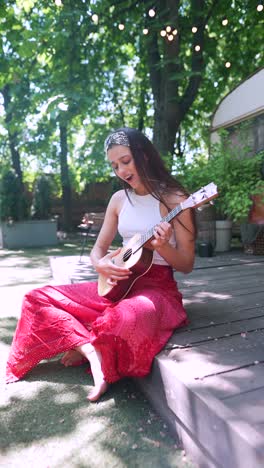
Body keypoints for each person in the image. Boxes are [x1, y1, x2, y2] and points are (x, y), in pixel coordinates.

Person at [6, 127, 196, 402]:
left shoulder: (178, 200)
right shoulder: (119, 199)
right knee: (37, 298)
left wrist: (163, 247)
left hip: (156, 291)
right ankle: (91, 351)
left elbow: (187, 263)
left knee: (125, 318)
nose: (120, 170)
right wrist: (101, 266)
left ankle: (84, 343)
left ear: (143, 155)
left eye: (126, 161)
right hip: (117, 282)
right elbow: (98, 250)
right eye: (114, 165)